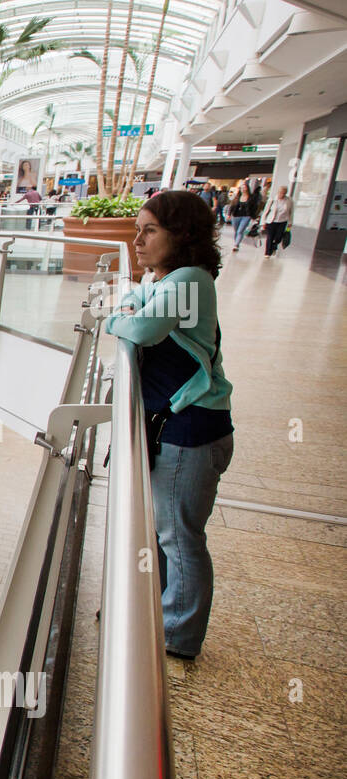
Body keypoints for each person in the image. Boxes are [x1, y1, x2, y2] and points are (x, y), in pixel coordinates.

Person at [106, 190, 233, 661]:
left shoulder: (190, 280)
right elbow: (134, 297)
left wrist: (117, 320)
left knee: (178, 538)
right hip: (180, 428)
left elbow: (141, 328)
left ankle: (177, 635)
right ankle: (154, 610)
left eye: (150, 230)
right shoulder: (167, 278)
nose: (137, 240)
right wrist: (130, 307)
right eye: (137, 228)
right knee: (164, 530)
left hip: (193, 432)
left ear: (182, 235)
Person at [261, 186, 291, 258]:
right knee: (270, 237)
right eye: (280, 193)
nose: (282, 195)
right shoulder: (272, 200)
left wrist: (290, 222)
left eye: (283, 193)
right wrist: (263, 222)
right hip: (271, 221)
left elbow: (291, 212)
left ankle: (274, 246)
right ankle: (267, 253)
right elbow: (266, 211)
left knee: (279, 237)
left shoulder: (289, 201)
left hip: (282, 221)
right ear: (278, 192)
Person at [228, 183, 254, 252]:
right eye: (242, 188)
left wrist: (253, 216)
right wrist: (229, 214)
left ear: (247, 188)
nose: (243, 189)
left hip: (246, 216)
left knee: (240, 231)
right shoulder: (237, 197)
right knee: (236, 231)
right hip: (236, 215)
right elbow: (232, 206)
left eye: (244, 188)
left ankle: (236, 245)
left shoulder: (251, 198)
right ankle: (236, 243)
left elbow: (254, 207)